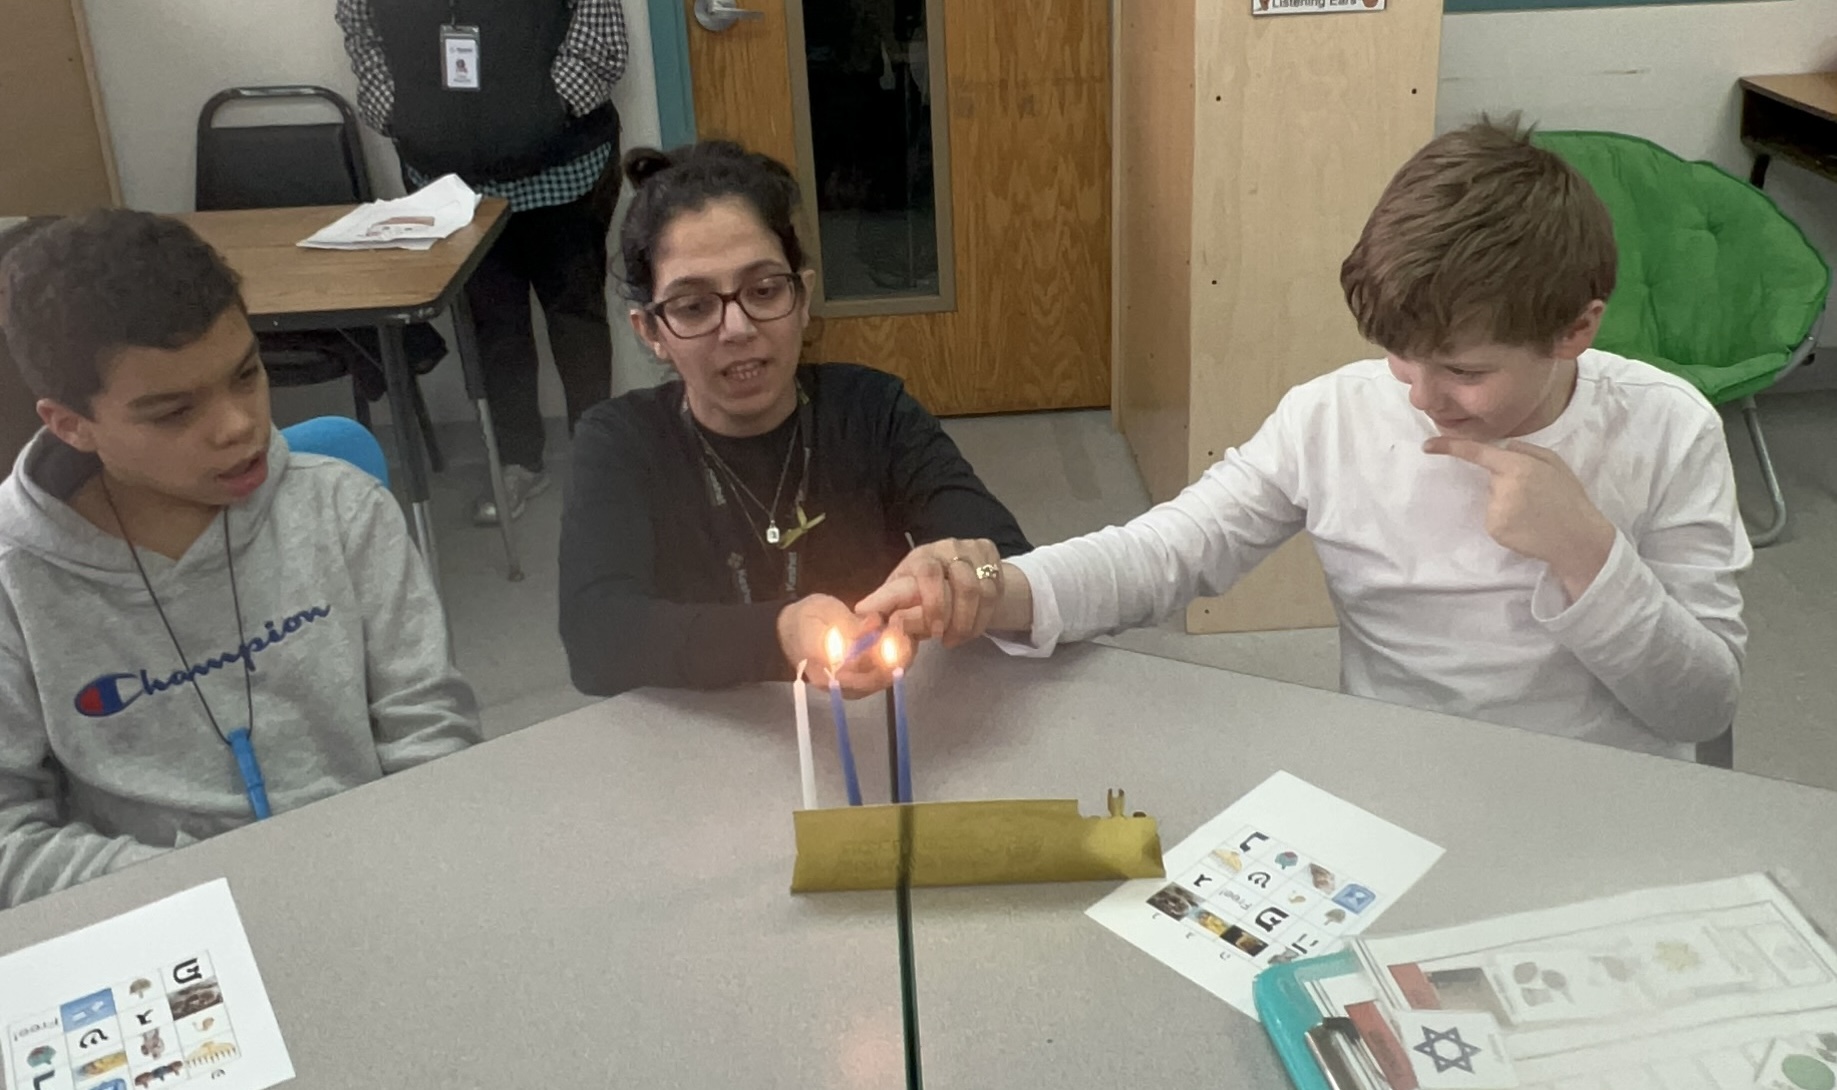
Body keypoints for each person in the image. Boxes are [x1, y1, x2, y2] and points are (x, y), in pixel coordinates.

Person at [860, 120, 1751, 759]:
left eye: (1466, 372)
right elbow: (1169, 551)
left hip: (1596, 791)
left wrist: (1585, 550)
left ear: (1575, 330)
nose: (1424, 396)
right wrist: (993, 588)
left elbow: (1699, 704)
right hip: (1396, 773)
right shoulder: (1332, 416)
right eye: (1400, 354)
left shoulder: (1667, 428)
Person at [0, 210, 482, 907]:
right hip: (160, 919)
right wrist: (218, 891)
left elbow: (432, 733)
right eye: (172, 412)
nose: (237, 426)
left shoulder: (341, 510)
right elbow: (12, 841)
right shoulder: (16, 580)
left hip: (381, 877)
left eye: (246, 374)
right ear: (70, 425)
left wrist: (388, 865)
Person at [559, 141, 1030, 697]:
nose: (736, 328)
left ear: (802, 297)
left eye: (762, 291)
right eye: (693, 306)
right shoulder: (620, 441)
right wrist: (781, 632)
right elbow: (596, 641)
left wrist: (973, 576)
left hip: (875, 735)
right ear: (650, 331)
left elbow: (1014, 565)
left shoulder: (872, 410)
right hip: (700, 746)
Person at [336, 0, 627, 525]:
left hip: (562, 168)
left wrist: (548, 106)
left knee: (576, 316)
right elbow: (360, 28)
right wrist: (397, 110)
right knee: (492, 327)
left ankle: (599, 463)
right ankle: (517, 462)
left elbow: (598, 24)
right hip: (449, 183)